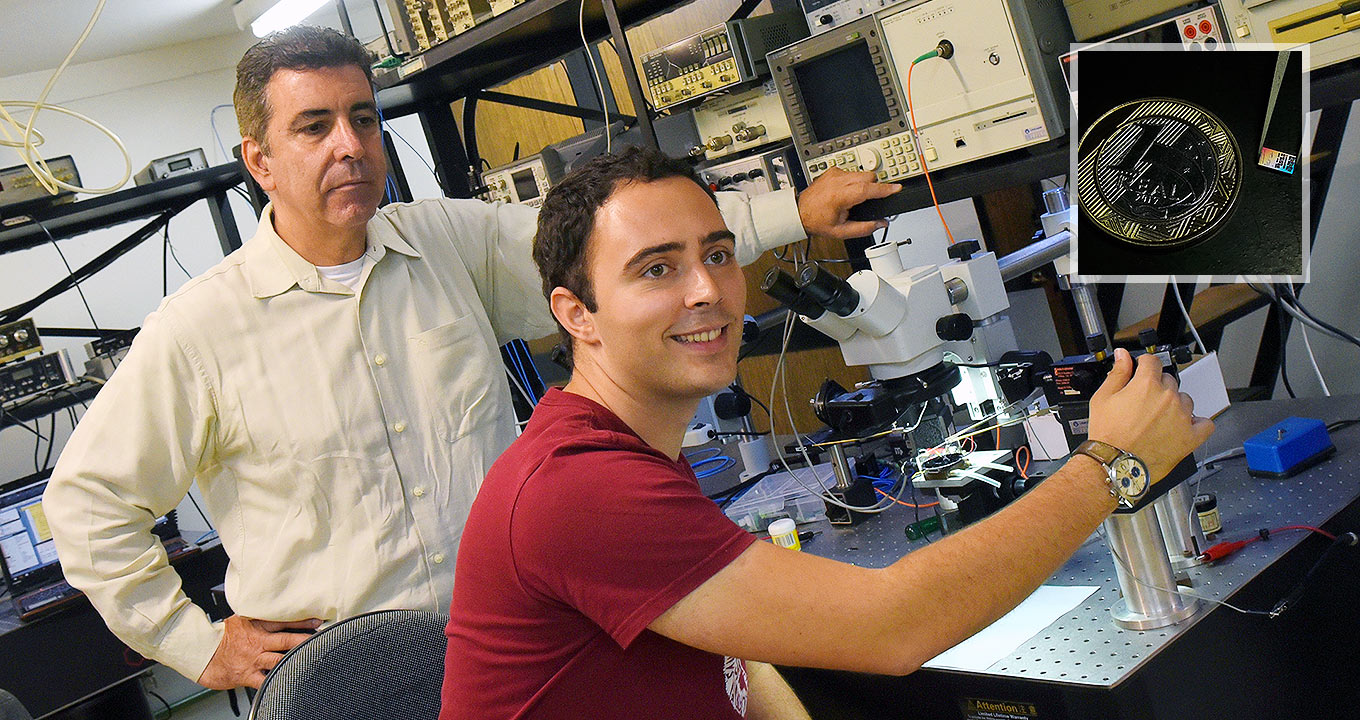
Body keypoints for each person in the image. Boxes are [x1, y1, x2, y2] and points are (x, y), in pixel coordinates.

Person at [42, 26, 895, 689]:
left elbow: (616, 252)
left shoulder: (445, 241)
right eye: (314, 127)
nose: (351, 144)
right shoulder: (198, 331)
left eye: (364, 117)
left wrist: (794, 211)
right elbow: (87, 508)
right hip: (349, 685)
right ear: (259, 161)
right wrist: (195, 646)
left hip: (517, 653)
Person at [440, 146, 1215, 719]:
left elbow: (735, 656)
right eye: (656, 270)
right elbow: (894, 627)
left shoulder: (623, 450)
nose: (708, 291)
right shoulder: (577, 487)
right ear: (576, 314)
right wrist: (1111, 465)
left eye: (717, 254)